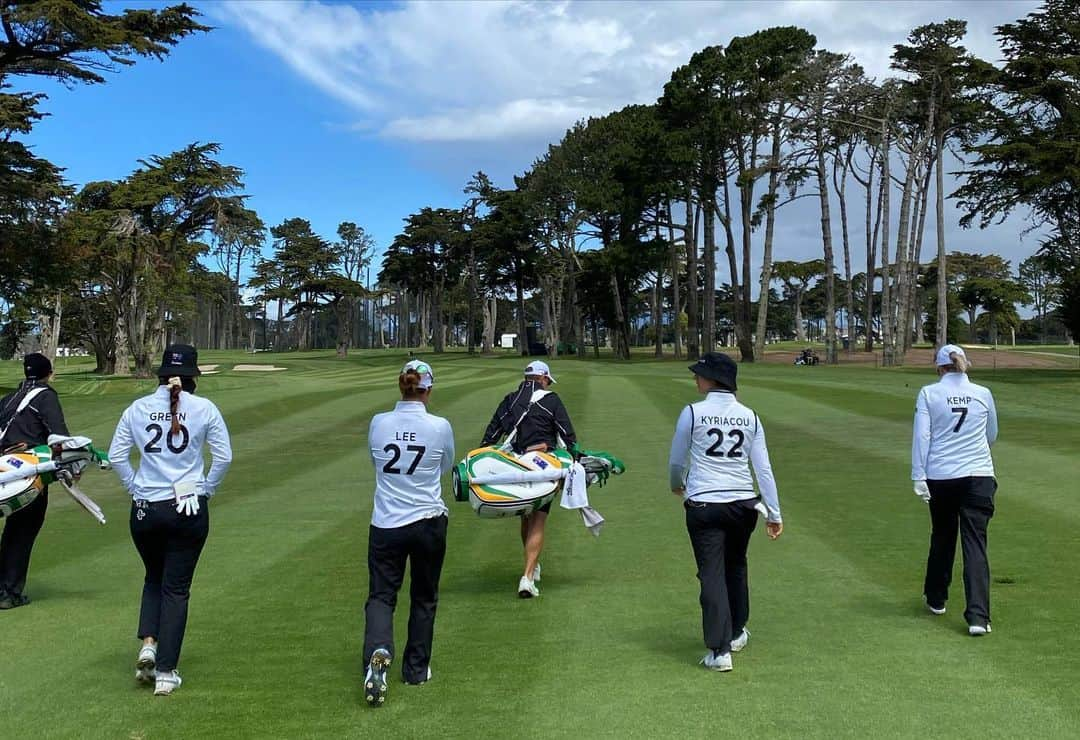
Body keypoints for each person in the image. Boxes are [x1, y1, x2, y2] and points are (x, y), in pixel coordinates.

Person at [109, 344, 232, 695]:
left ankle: (149, 642)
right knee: (176, 589)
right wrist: (205, 489)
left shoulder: (137, 408)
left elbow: (118, 456)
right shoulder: (204, 408)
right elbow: (223, 458)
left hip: (145, 509)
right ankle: (165, 672)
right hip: (186, 507)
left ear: (160, 375)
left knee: (153, 577)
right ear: (193, 377)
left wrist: (136, 488)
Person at [668, 352, 783, 673]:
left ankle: (719, 651)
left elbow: (677, 462)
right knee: (735, 566)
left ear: (712, 380)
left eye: (699, 374)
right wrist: (774, 513)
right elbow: (764, 469)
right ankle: (735, 633)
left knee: (711, 573)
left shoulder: (692, 412)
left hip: (704, 504)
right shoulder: (750, 416)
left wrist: (677, 486)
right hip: (744, 505)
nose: (695, 378)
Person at [363, 359, 455, 708]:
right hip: (428, 520)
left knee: (381, 596)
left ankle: (378, 651)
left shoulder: (379, 422)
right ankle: (416, 669)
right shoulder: (439, 426)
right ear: (427, 389)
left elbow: (376, 463)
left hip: (386, 523)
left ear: (401, 385)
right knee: (424, 596)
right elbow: (446, 465)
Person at [911, 344, 998, 636]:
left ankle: (936, 598)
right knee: (975, 544)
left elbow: (923, 436)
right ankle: (978, 617)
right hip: (980, 476)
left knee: (944, 535)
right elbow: (991, 435)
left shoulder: (929, 393)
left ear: (939, 368)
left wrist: (918, 476)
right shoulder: (983, 393)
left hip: (942, 477)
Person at [479, 360, 576, 598]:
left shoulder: (509, 399)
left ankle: (532, 568)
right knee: (539, 519)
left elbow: (490, 437)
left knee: (526, 516)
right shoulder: (551, 400)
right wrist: (574, 462)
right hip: (544, 466)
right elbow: (568, 436)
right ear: (543, 379)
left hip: (516, 466)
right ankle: (528, 577)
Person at [0, 353, 70, 610]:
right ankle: (8, 592)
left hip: (5, 470)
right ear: (48, 374)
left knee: (12, 529)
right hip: (30, 473)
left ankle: (4, 587)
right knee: (23, 530)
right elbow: (59, 437)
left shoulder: (9, 398)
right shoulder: (46, 396)